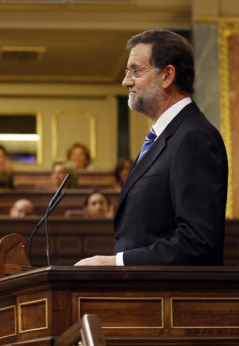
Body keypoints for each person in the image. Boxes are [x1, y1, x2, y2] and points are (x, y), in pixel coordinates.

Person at [76, 30, 228, 266]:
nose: (126, 81)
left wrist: (116, 262)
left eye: (135, 70)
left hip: (170, 298)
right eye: (128, 71)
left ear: (167, 75)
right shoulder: (164, 135)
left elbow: (198, 241)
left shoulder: (194, 137)